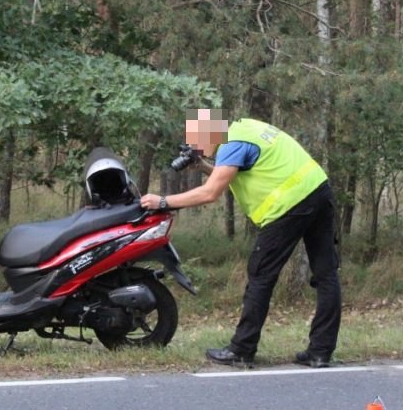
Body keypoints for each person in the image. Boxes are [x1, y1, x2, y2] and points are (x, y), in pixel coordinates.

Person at [140, 109, 341, 368]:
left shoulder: (231, 144)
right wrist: (204, 167)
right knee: (326, 274)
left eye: (198, 141)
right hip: (319, 191)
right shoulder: (245, 129)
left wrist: (163, 201)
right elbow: (239, 169)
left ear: (211, 133)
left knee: (260, 274)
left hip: (290, 205)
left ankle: (242, 349)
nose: (197, 147)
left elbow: (211, 192)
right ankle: (321, 351)